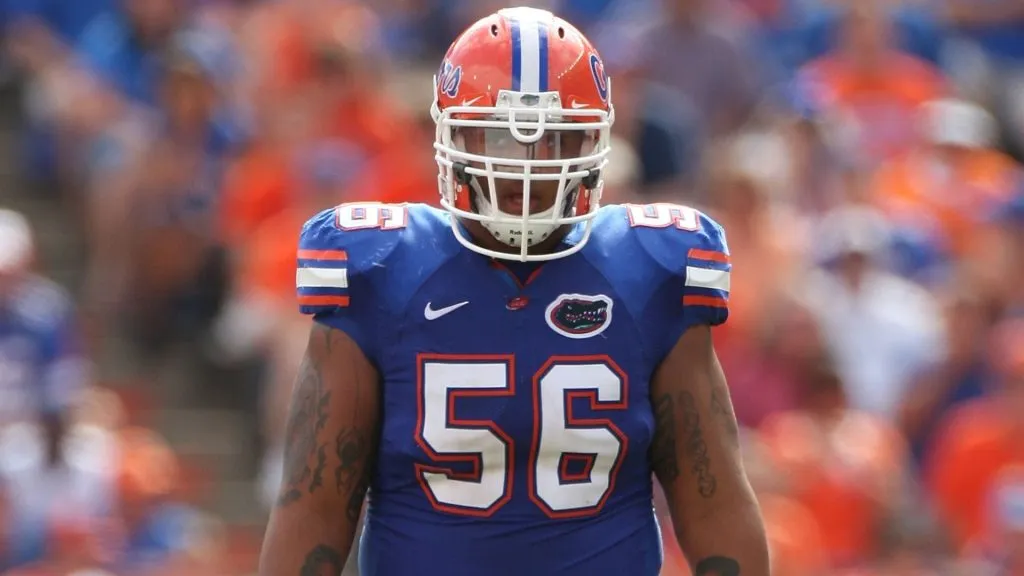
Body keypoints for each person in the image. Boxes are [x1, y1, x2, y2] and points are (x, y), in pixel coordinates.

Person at [259, 7, 769, 576]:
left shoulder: (649, 271)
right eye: (499, 135)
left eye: (554, 138)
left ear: (592, 142)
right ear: (454, 134)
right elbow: (313, 507)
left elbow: (714, 501)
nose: (527, 161)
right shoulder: (381, 270)